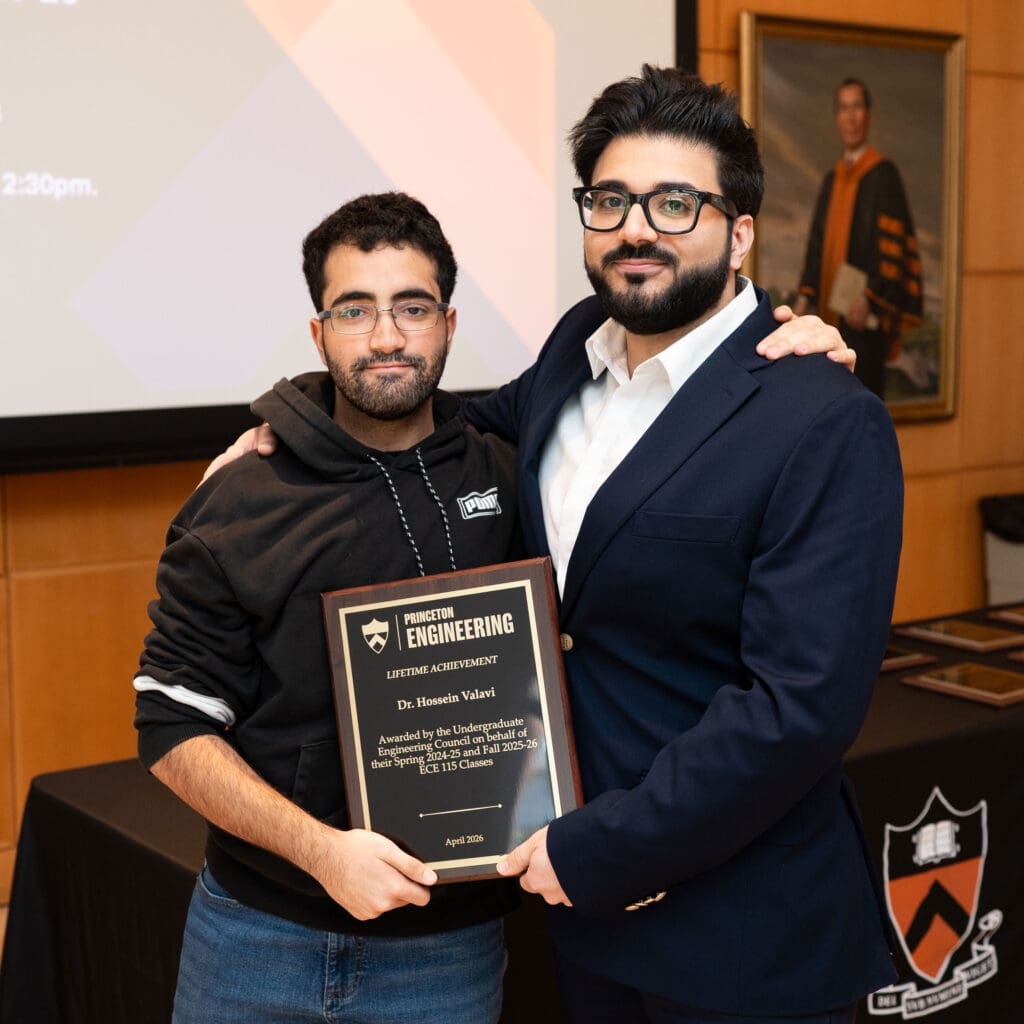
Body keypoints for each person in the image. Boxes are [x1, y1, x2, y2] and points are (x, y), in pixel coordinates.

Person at [203, 71, 892, 1023]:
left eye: (675, 203)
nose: (635, 229)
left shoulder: (822, 417)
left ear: (739, 233)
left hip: (742, 931)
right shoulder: (579, 347)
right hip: (574, 921)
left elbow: (800, 708)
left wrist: (605, 849)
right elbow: (440, 425)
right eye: (610, 202)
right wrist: (291, 426)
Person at [133, 192, 522, 1023]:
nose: (386, 337)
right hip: (255, 938)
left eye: (411, 308)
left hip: (446, 947)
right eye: (356, 310)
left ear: (449, 323)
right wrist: (322, 853)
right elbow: (170, 728)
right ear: (319, 333)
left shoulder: (508, 478)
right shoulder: (240, 500)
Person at [793, 77, 923, 397]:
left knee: (862, 408)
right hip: (828, 317)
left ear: (868, 115)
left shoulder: (883, 176)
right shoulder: (832, 180)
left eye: (857, 107)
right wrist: (802, 298)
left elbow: (895, 253)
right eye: (844, 108)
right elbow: (817, 245)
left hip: (864, 322)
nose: (850, 116)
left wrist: (871, 299)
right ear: (837, 117)